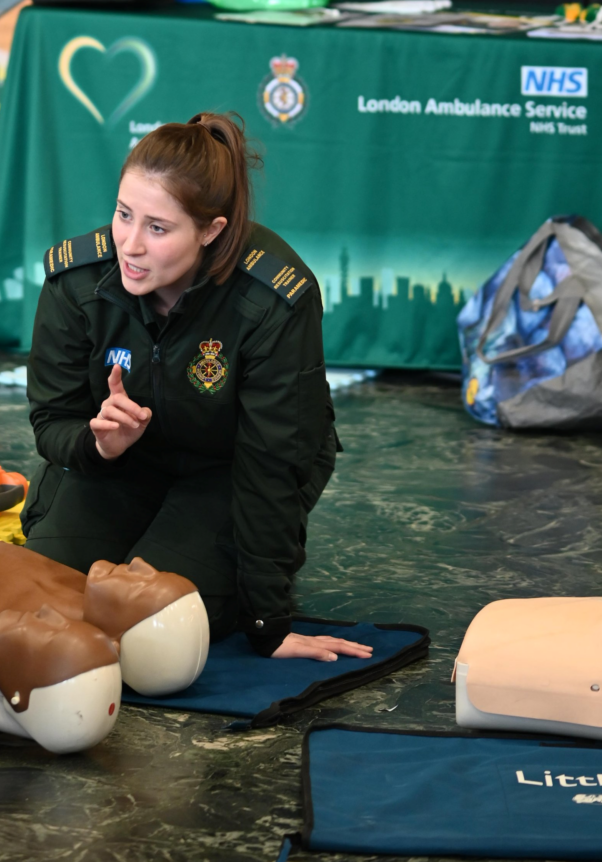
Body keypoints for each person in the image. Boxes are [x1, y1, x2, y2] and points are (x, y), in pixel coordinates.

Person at [21, 113, 372, 663]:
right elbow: (52, 421)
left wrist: (268, 621)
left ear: (211, 231)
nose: (130, 245)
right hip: (123, 467)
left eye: (157, 228)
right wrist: (99, 444)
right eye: (123, 215)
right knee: (37, 608)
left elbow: (273, 461)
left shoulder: (273, 298)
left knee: (146, 635)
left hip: (228, 475)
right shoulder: (78, 280)